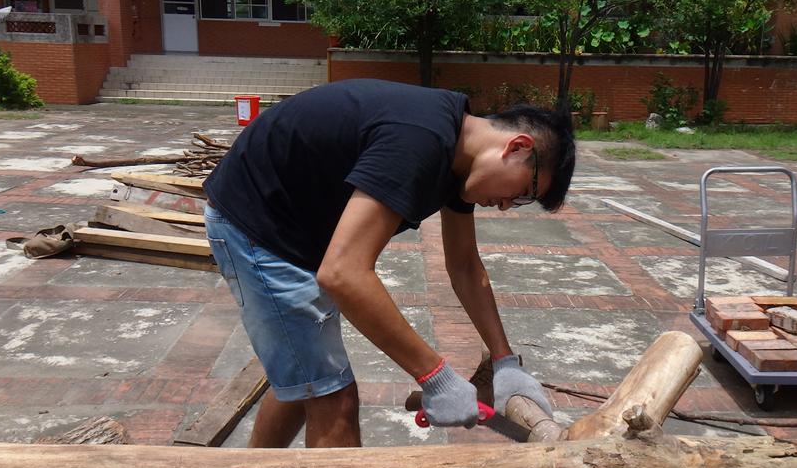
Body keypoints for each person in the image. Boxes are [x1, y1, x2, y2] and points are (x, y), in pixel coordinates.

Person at [203, 79, 575, 448]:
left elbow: (463, 265)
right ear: (517, 147)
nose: (508, 205)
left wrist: (505, 362)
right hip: (257, 224)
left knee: (306, 377)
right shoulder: (418, 141)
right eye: (523, 193)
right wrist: (436, 377)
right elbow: (343, 273)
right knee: (334, 398)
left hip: (296, 226)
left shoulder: (458, 155)